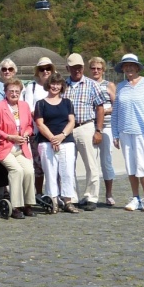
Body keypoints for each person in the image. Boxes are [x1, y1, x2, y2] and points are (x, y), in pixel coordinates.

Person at [111, 54, 144, 212]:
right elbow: (116, 112)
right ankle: (135, 197)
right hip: (125, 130)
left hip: (143, 131)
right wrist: (115, 134)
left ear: (138, 67)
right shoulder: (120, 87)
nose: (129, 68)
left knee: (143, 165)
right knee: (131, 166)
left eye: (132, 65)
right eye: (126, 66)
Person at [64, 53, 105, 211]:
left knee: (91, 164)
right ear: (68, 68)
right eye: (73, 68)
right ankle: (72, 196)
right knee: (68, 165)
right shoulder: (63, 85)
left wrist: (98, 130)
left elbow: (100, 107)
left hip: (85, 126)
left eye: (79, 67)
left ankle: (91, 196)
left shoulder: (91, 84)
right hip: (67, 129)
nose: (77, 71)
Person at [35, 73, 79, 214]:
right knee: (50, 172)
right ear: (48, 85)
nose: (55, 86)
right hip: (46, 142)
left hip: (66, 141)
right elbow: (40, 123)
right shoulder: (41, 103)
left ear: (62, 86)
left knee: (67, 172)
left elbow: (71, 121)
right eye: (53, 83)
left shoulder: (67, 102)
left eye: (58, 84)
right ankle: (53, 201)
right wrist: (52, 138)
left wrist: (62, 136)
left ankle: (68, 201)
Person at [0, 78, 36, 219]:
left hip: (21, 147)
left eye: (17, 91)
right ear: (5, 92)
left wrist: (26, 133)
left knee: (29, 170)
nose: (14, 93)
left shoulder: (24, 106)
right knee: (17, 171)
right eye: (11, 91)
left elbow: (29, 125)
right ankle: (16, 206)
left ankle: (28, 204)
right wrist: (10, 137)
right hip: (5, 147)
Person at [23, 57, 55, 195]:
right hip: (37, 132)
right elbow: (29, 108)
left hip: (54, 132)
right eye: (42, 69)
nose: (45, 71)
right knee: (38, 165)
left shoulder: (56, 86)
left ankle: (53, 192)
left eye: (48, 68)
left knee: (53, 164)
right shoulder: (32, 87)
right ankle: (39, 193)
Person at [88, 56, 117, 206]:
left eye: (99, 68)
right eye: (93, 68)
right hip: (90, 126)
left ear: (103, 70)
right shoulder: (86, 85)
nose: (96, 71)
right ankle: (92, 194)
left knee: (106, 160)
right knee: (91, 161)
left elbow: (117, 105)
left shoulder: (108, 85)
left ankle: (109, 193)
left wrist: (104, 111)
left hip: (106, 127)